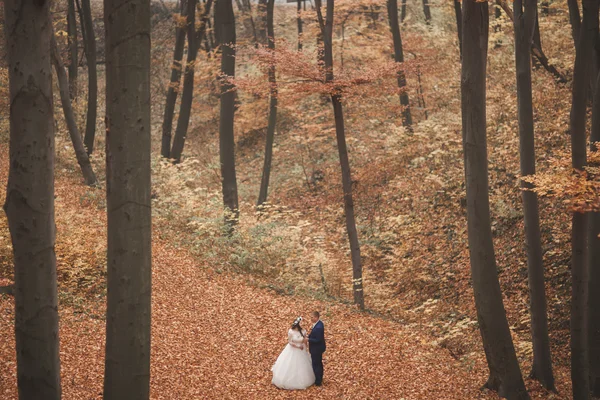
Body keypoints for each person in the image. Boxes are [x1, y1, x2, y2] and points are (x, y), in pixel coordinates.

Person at [271, 317, 315, 390]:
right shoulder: (291, 331)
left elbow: (305, 340)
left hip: (302, 350)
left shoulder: (303, 331)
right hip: (293, 349)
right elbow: (290, 342)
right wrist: (298, 346)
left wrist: (306, 348)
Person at [306, 311, 326, 386]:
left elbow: (317, 339)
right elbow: (314, 334)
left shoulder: (319, 327)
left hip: (317, 349)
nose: (311, 319)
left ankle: (318, 381)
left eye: (312, 317)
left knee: (316, 364)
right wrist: (309, 336)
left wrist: (308, 340)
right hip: (318, 348)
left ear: (316, 317)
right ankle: (319, 377)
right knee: (319, 363)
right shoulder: (319, 324)